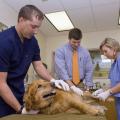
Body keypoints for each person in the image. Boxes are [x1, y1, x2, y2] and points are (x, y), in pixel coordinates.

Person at [0, 5, 70, 117]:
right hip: (2, 99)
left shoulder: (32, 42)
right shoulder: (4, 42)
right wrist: (20, 109)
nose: (36, 31)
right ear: (21, 20)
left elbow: (38, 66)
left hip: (18, 94)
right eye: (33, 26)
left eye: (38, 27)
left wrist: (53, 80)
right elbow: (1, 83)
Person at [54, 28, 93, 96]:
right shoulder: (61, 51)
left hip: (80, 84)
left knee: (81, 105)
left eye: (79, 42)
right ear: (69, 39)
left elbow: (89, 70)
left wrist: (88, 88)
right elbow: (61, 71)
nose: (76, 44)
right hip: (65, 84)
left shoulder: (85, 52)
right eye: (74, 42)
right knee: (65, 105)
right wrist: (72, 87)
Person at [92, 38, 120, 120]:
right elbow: (114, 83)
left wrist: (109, 92)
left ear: (113, 48)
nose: (104, 54)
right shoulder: (114, 63)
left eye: (105, 51)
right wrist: (103, 90)